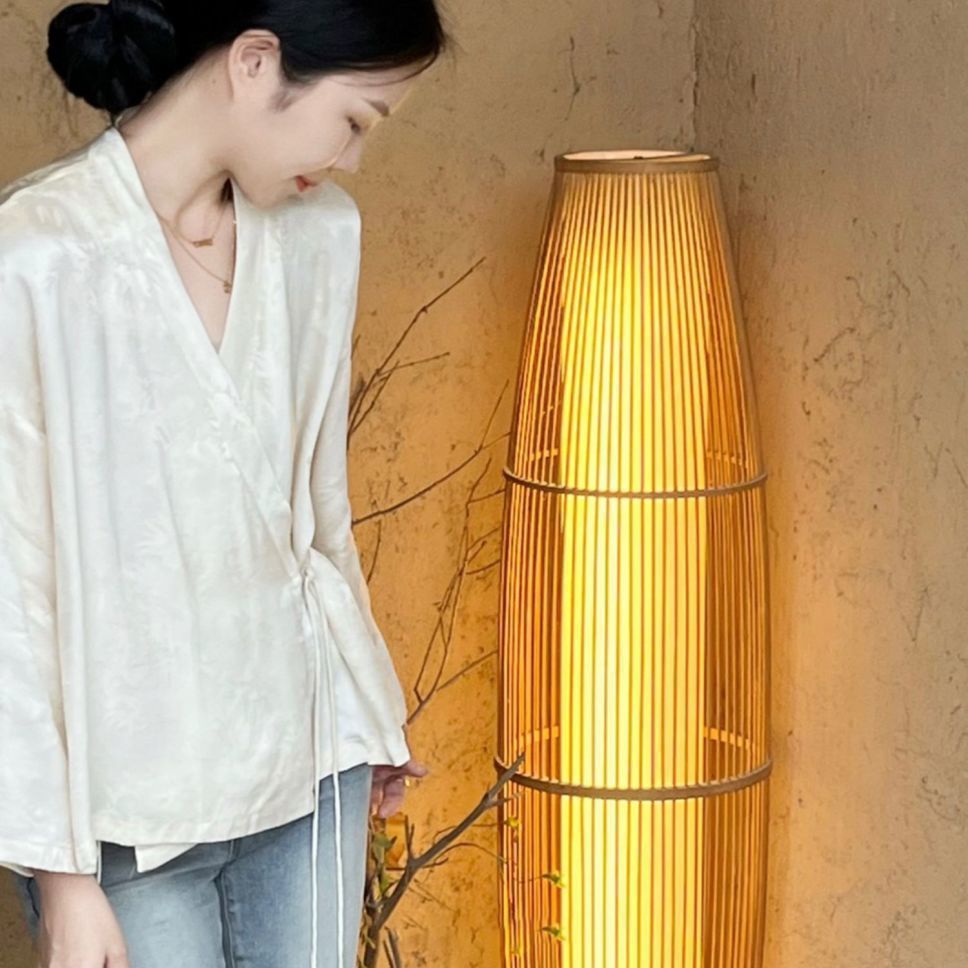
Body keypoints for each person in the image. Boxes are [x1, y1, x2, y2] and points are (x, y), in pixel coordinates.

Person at [0, 1, 452, 966]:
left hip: (312, 771)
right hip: (129, 822)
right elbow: (12, 593)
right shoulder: (35, 255)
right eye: (354, 119)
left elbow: (318, 516)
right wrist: (58, 875)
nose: (352, 158)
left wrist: (367, 705)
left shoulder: (320, 237)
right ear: (255, 62)